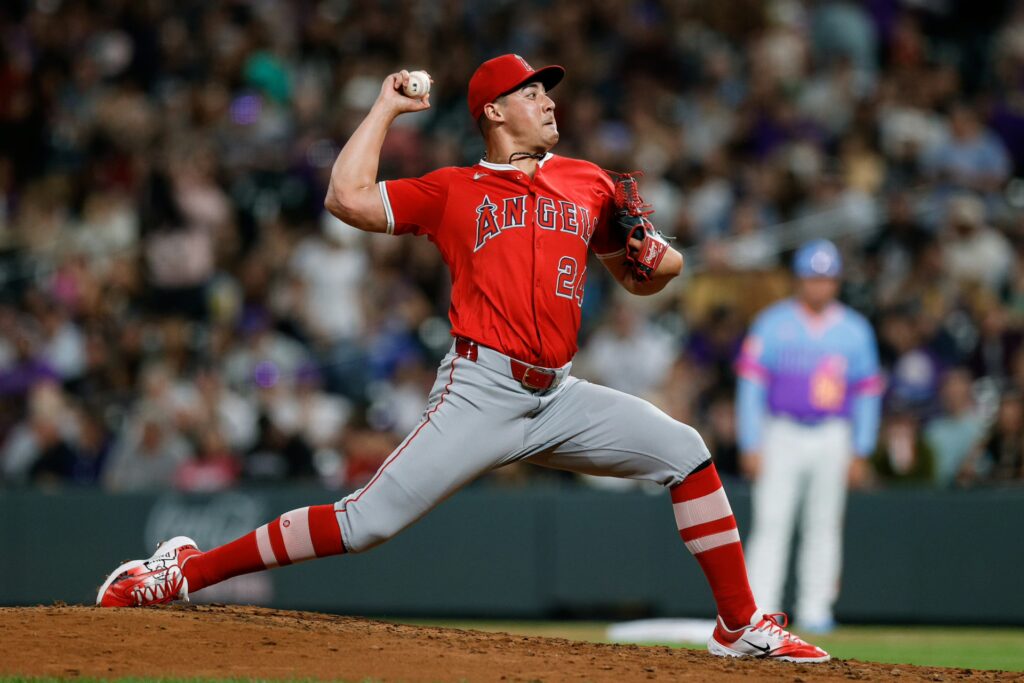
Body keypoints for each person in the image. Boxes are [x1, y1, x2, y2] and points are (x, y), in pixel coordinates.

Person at [95, 55, 829, 663]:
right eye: (531, 91)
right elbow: (345, 197)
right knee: (365, 522)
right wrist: (385, 107)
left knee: (686, 450)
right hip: (482, 388)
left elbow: (653, 274)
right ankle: (182, 571)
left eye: (548, 90)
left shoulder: (587, 180)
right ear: (493, 112)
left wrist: (652, 252)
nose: (547, 101)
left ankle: (740, 626)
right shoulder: (455, 189)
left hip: (560, 394)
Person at [736, 239, 882, 634]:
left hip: (833, 432)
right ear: (799, 280)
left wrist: (861, 448)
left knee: (824, 524)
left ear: (836, 282)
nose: (819, 286)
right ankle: (760, 611)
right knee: (771, 522)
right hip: (780, 429)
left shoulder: (854, 329)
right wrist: (750, 442)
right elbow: (751, 387)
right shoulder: (772, 322)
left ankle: (816, 609)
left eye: (827, 278)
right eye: (812, 278)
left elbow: (868, 392)